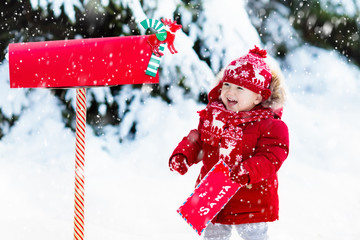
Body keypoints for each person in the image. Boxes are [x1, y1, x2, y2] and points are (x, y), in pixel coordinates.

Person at [169, 46, 289, 240]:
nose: (230, 92)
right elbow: (198, 138)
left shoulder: (271, 125)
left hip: (251, 198)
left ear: (258, 97)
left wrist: (248, 170)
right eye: (227, 85)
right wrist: (183, 154)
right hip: (214, 195)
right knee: (214, 236)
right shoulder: (213, 116)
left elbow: (272, 157)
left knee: (254, 236)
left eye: (240, 88)